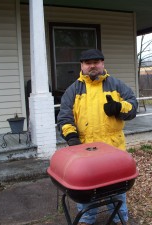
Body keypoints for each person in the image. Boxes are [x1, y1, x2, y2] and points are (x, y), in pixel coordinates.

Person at [57, 49, 138, 225]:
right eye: (88, 63)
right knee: (87, 189)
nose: (92, 65)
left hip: (114, 150)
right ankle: (86, 219)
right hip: (85, 150)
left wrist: (119, 107)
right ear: (82, 66)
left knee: (117, 188)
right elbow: (64, 118)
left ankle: (119, 219)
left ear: (103, 64)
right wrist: (72, 138)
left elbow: (133, 106)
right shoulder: (72, 90)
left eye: (96, 62)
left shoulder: (117, 85)